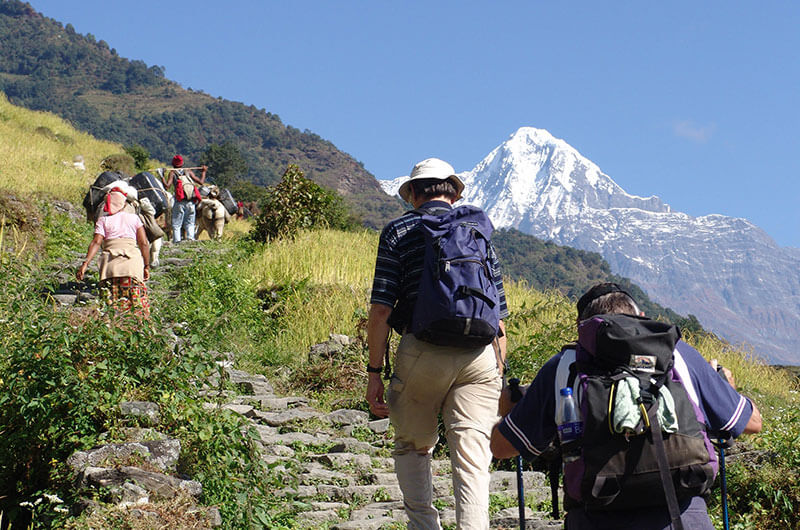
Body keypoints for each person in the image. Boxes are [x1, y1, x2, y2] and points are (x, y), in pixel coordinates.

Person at [490, 282, 762, 530]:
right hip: (683, 518)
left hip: (595, 519)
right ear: (640, 318)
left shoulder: (564, 366)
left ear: (581, 328)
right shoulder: (679, 354)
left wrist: (501, 405)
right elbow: (751, 423)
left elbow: (501, 447)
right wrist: (726, 387)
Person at [366, 158, 509, 530]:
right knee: (473, 459)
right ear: (453, 191)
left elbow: (381, 310)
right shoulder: (476, 230)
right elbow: (500, 320)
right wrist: (498, 374)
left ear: (413, 193)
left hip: (422, 349)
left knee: (413, 446)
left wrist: (374, 372)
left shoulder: (399, 231)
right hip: (479, 355)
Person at [76, 188, 152, 318]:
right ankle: (139, 330)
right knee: (137, 303)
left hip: (110, 267)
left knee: (110, 304)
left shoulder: (103, 221)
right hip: (132, 265)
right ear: (123, 204)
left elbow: (96, 242)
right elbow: (144, 243)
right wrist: (146, 265)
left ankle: (111, 329)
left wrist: (85, 263)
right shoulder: (134, 218)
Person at [161, 155, 207, 243]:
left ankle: (177, 241)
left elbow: (167, 187)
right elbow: (201, 182)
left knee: (177, 224)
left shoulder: (172, 173)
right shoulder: (188, 171)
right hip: (191, 202)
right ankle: (190, 240)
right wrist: (204, 172)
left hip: (179, 202)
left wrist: (162, 175)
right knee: (190, 223)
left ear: (173, 163)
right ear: (182, 163)